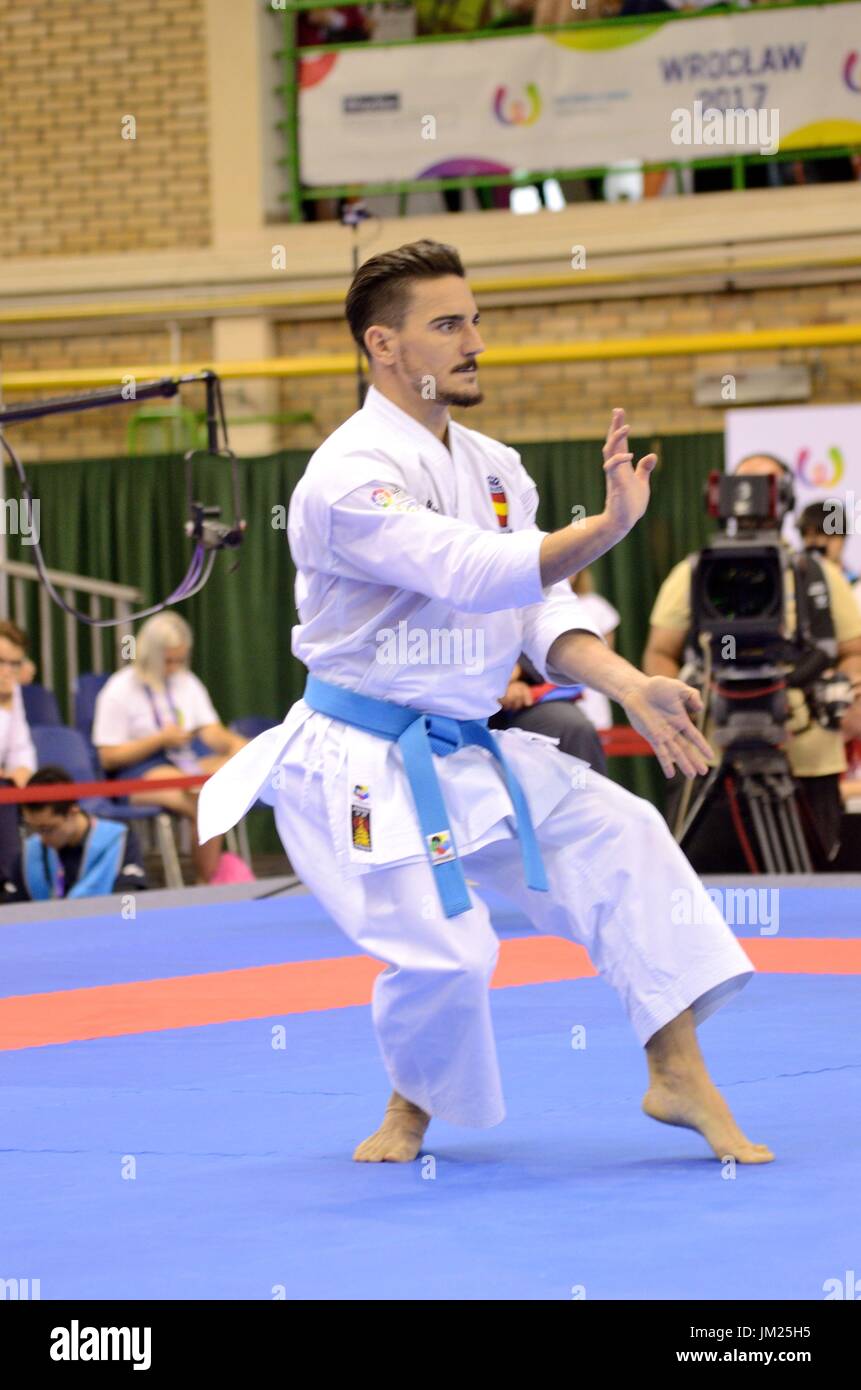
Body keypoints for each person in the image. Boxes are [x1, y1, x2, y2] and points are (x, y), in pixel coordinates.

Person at [198, 238, 772, 1166]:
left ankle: (675, 1071)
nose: (474, 342)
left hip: (467, 745)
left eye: (475, 321)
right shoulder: (347, 476)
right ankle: (409, 1110)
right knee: (451, 953)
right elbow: (471, 571)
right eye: (447, 325)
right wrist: (608, 525)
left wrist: (629, 684)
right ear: (384, 345)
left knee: (624, 832)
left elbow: (536, 608)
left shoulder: (496, 466)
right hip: (358, 758)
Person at [643, 457, 861, 870]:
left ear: (786, 496)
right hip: (711, 754)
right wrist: (677, 716)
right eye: (743, 484)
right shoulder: (694, 572)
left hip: (808, 759)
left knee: (818, 891)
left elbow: (854, 650)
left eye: (766, 485)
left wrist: (850, 700)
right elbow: (660, 651)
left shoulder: (817, 575)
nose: (752, 497)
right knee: (698, 880)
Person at [92, 613, 249, 884]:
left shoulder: (187, 682)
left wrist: (237, 746)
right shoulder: (119, 688)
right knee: (206, 800)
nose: (174, 668)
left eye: (180, 660)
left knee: (226, 773)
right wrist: (159, 740)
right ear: (150, 656)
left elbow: (211, 731)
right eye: (168, 661)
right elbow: (108, 757)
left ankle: (211, 878)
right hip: (137, 773)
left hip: (183, 762)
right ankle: (208, 881)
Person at [1, 765, 147, 902]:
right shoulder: (30, 853)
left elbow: (131, 902)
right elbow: (13, 910)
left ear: (72, 812)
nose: (42, 839)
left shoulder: (118, 841)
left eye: (48, 829)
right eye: (34, 829)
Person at [0, 620, 38, 882]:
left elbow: (20, 747)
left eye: (14, 664)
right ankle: (9, 884)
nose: (7, 671)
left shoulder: (12, 691)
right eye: (0, 662)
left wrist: (23, 771)